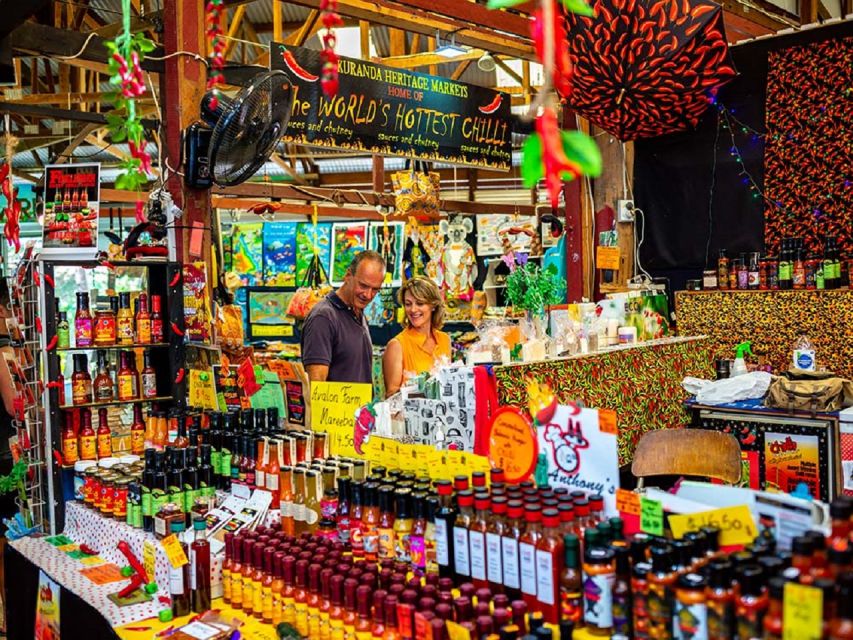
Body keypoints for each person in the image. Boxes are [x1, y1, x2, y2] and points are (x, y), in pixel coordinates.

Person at [301, 250, 386, 385]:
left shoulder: (357, 311)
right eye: (363, 286)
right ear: (347, 276)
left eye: (375, 289)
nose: (368, 295)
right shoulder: (323, 317)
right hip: (335, 406)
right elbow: (316, 386)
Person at [382, 276, 451, 397]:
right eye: (408, 304)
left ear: (433, 305)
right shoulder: (397, 345)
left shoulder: (444, 340)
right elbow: (391, 396)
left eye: (420, 303)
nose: (413, 309)